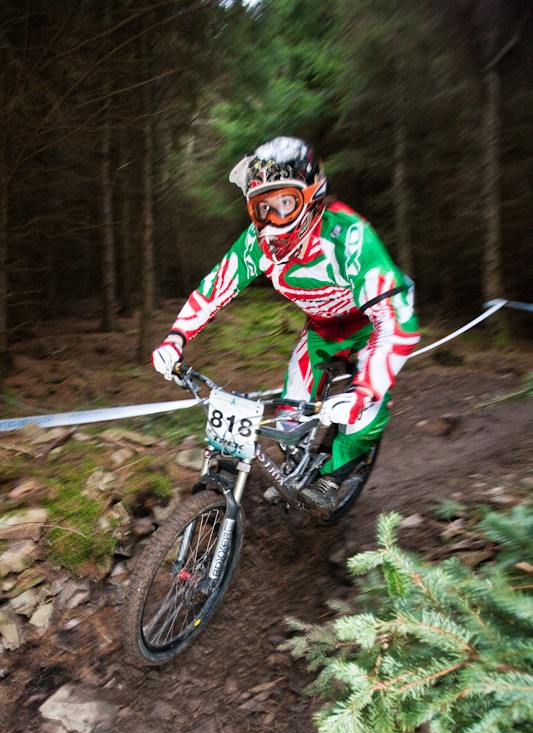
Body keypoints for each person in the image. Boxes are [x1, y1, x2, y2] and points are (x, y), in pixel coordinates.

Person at [152, 136, 420, 511]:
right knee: (289, 417)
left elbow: (396, 324)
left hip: (373, 324)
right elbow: (214, 289)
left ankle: (335, 476)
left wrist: (364, 391)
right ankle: (296, 468)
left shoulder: (349, 236)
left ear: (311, 198)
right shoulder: (257, 243)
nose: (271, 220)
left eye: (284, 203)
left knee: (364, 412)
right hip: (323, 327)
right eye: (262, 208)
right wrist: (175, 338)